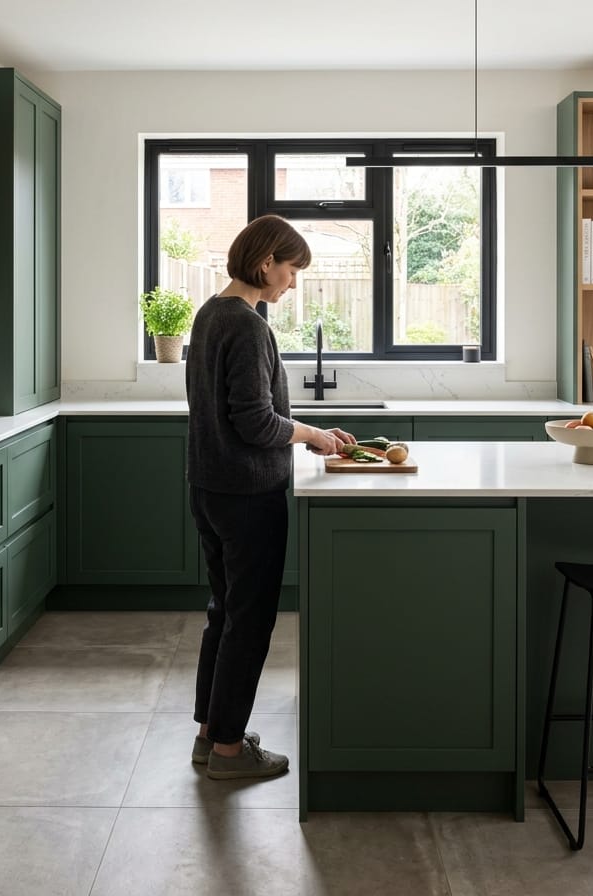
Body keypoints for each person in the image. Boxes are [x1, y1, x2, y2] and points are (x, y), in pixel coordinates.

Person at [185, 214, 355, 780]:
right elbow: (256, 422)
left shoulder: (211, 314)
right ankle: (231, 753)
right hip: (247, 496)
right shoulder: (250, 326)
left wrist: (309, 433)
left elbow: (239, 416)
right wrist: (310, 435)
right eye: (291, 270)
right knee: (251, 622)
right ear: (266, 264)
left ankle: (211, 734)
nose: (292, 283)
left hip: (209, 488)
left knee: (223, 612)